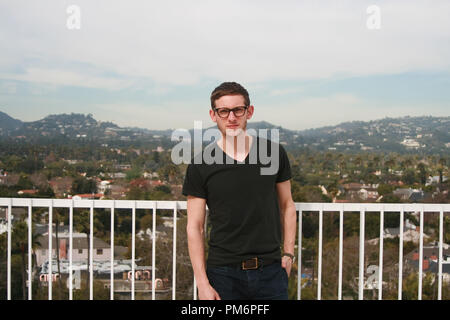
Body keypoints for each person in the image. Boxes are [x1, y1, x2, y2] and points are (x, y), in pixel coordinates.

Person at [182, 81, 297, 300]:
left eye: (238, 110)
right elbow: (194, 227)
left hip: (271, 272)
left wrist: (289, 254)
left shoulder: (273, 153)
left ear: (249, 112)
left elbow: (287, 205)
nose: (231, 117)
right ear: (213, 115)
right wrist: (203, 283)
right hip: (223, 274)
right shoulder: (200, 165)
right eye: (224, 111)